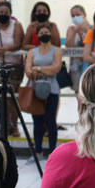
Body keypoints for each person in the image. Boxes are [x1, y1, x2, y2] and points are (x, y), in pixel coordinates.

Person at [0, 1, 24, 137]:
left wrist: (6, 49)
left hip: (14, 65)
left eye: (6, 13)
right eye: (0, 13)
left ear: (10, 13)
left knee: (12, 97)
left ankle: (15, 125)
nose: (3, 15)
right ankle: (5, 126)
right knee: (2, 98)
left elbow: (19, 44)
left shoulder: (16, 25)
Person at [25, 22, 62, 161]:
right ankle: (38, 151)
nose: (44, 35)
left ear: (50, 34)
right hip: (36, 90)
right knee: (37, 121)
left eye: (46, 32)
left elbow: (56, 69)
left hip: (52, 89)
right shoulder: (32, 52)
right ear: (37, 35)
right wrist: (46, 68)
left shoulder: (57, 50)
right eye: (41, 33)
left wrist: (38, 68)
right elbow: (28, 71)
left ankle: (53, 153)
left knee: (51, 121)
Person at [65, 4, 92, 92]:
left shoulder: (93, 28)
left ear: (84, 15)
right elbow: (68, 46)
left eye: (78, 15)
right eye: (73, 16)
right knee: (79, 94)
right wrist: (75, 31)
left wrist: (86, 30)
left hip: (90, 65)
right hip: (76, 66)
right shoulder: (71, 29)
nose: (75, 17)